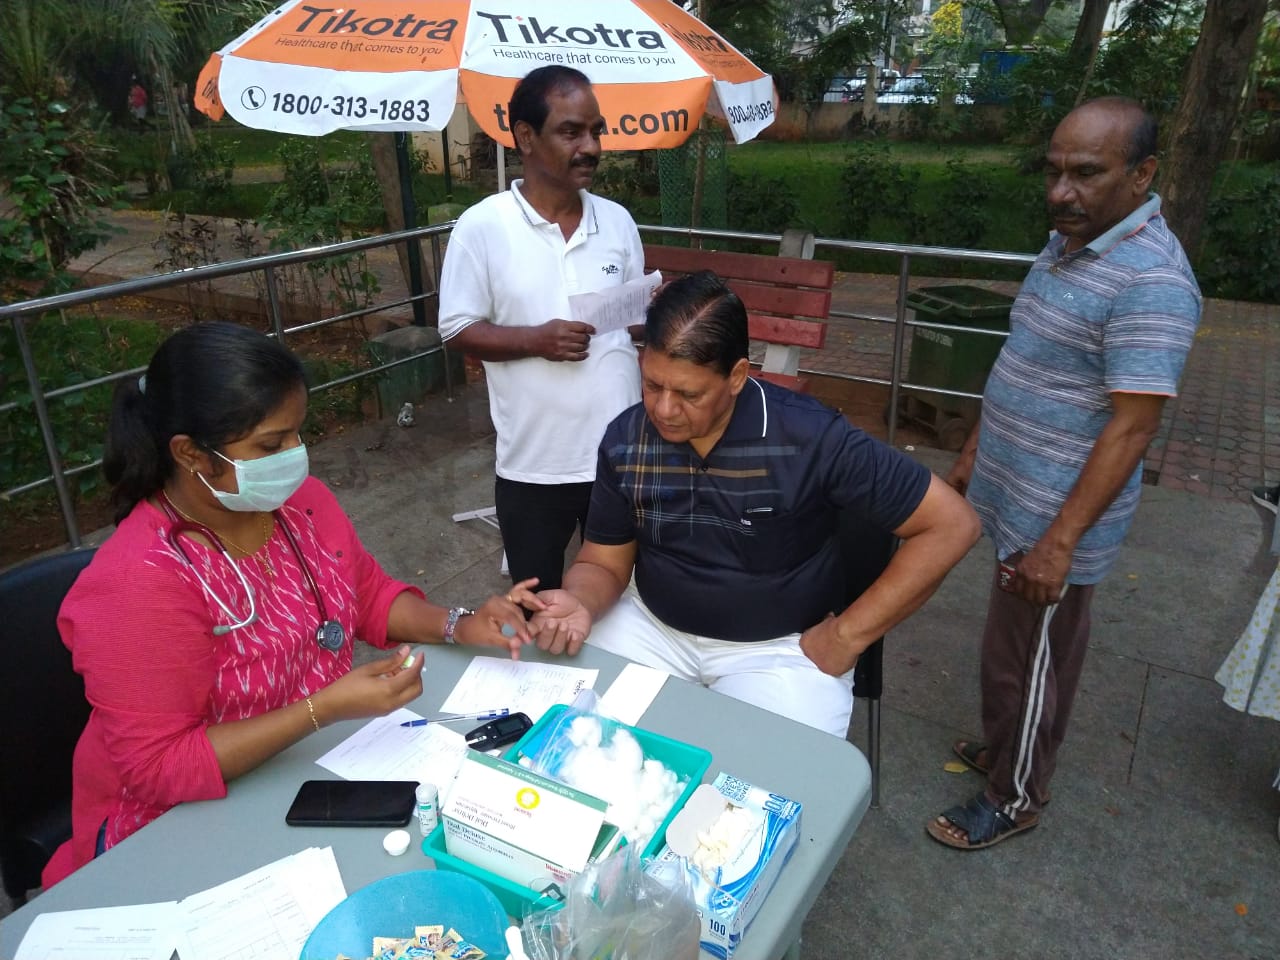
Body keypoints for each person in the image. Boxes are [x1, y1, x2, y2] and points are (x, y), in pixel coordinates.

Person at [44, 322, 540, 885]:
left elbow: (366, 595)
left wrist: (460, 624)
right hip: (171, 827)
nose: (294, 456)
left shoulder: (297, 503)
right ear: (191, 455)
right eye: (271, 444)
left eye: (298, 434)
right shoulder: (141, 581)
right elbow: (160, 768)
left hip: (304, 767)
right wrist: (321, 709)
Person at [528, 271, 982, 737]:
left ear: (737, 376)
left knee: (753, 794)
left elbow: (951, 525)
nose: (663, 409)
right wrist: (580, 600)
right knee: (569, 741)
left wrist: (848, 636)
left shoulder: (810, 438)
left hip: (780, 651)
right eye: (652, 385)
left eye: (688, 393)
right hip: (650, 626)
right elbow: (603, 561)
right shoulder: (626, 438)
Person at [929, 97, 1202, 850]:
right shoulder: (1070, 244)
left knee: (1036, 656)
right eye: (1053, 172)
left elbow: (1134, 425)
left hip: (1056, 514)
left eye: (1086, 174)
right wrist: (979, 446)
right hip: (1016, 491)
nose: (1060, 193)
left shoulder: (1151, 280)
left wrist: (1061, 544)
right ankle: (1006, 744)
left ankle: (1017, 794)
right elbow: (1026, 355)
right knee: (1007, 646)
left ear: (1143, 173)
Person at [438, 65, 643, 593]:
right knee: (536, 602)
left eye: (596, 130)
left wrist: (651, 312)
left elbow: (631, 326)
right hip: (535, 465)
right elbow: (456, 327)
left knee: (629, 597)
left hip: (622, 455)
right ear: (525, 137)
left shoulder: (617, 221)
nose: (591, 146)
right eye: (571, 131)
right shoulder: (482, 228)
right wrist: (535, 339)